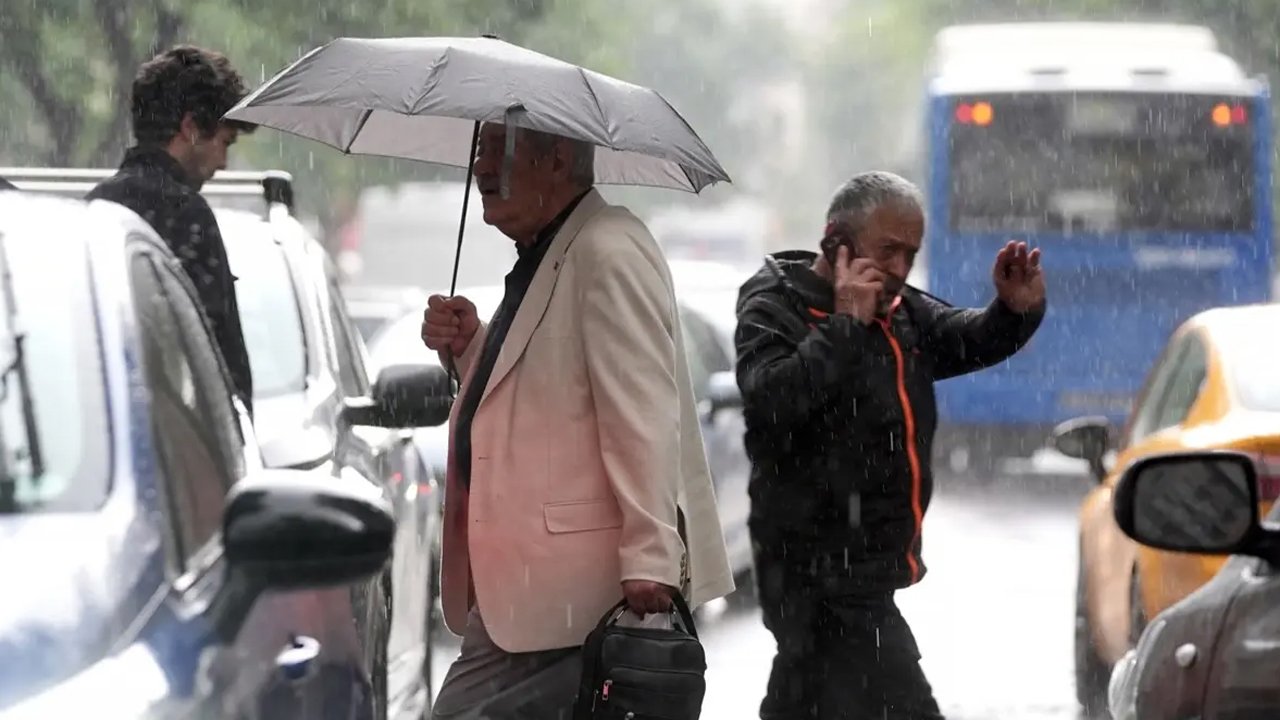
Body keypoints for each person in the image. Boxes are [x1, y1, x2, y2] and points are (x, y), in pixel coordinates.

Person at [421, 123, 734, 719]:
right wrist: (471, 348)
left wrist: (650, 554)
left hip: (569, 595)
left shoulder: (606, 247)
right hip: (532, 593)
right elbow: (550, 391)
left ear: (558, 157)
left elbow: (642, 411)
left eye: (496, 149)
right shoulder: (554, 248)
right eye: (479, 149)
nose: (480, 167)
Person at [735, 171, 1046, 719]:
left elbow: (966, 337)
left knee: (801, 700)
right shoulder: (774, 306)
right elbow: (772, 404)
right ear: (836, 241)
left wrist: (1013, 311)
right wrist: (846, 326)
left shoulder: (902, 313)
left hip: (868, 571)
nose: (900, 269)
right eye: (888, 251)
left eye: (911, 253)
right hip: (815, 574)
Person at [88, 46, 255, 414]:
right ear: (191, 127)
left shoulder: (93, 211)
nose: (223, 164)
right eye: (224, 142)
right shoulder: (188, 215)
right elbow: (219, 362)